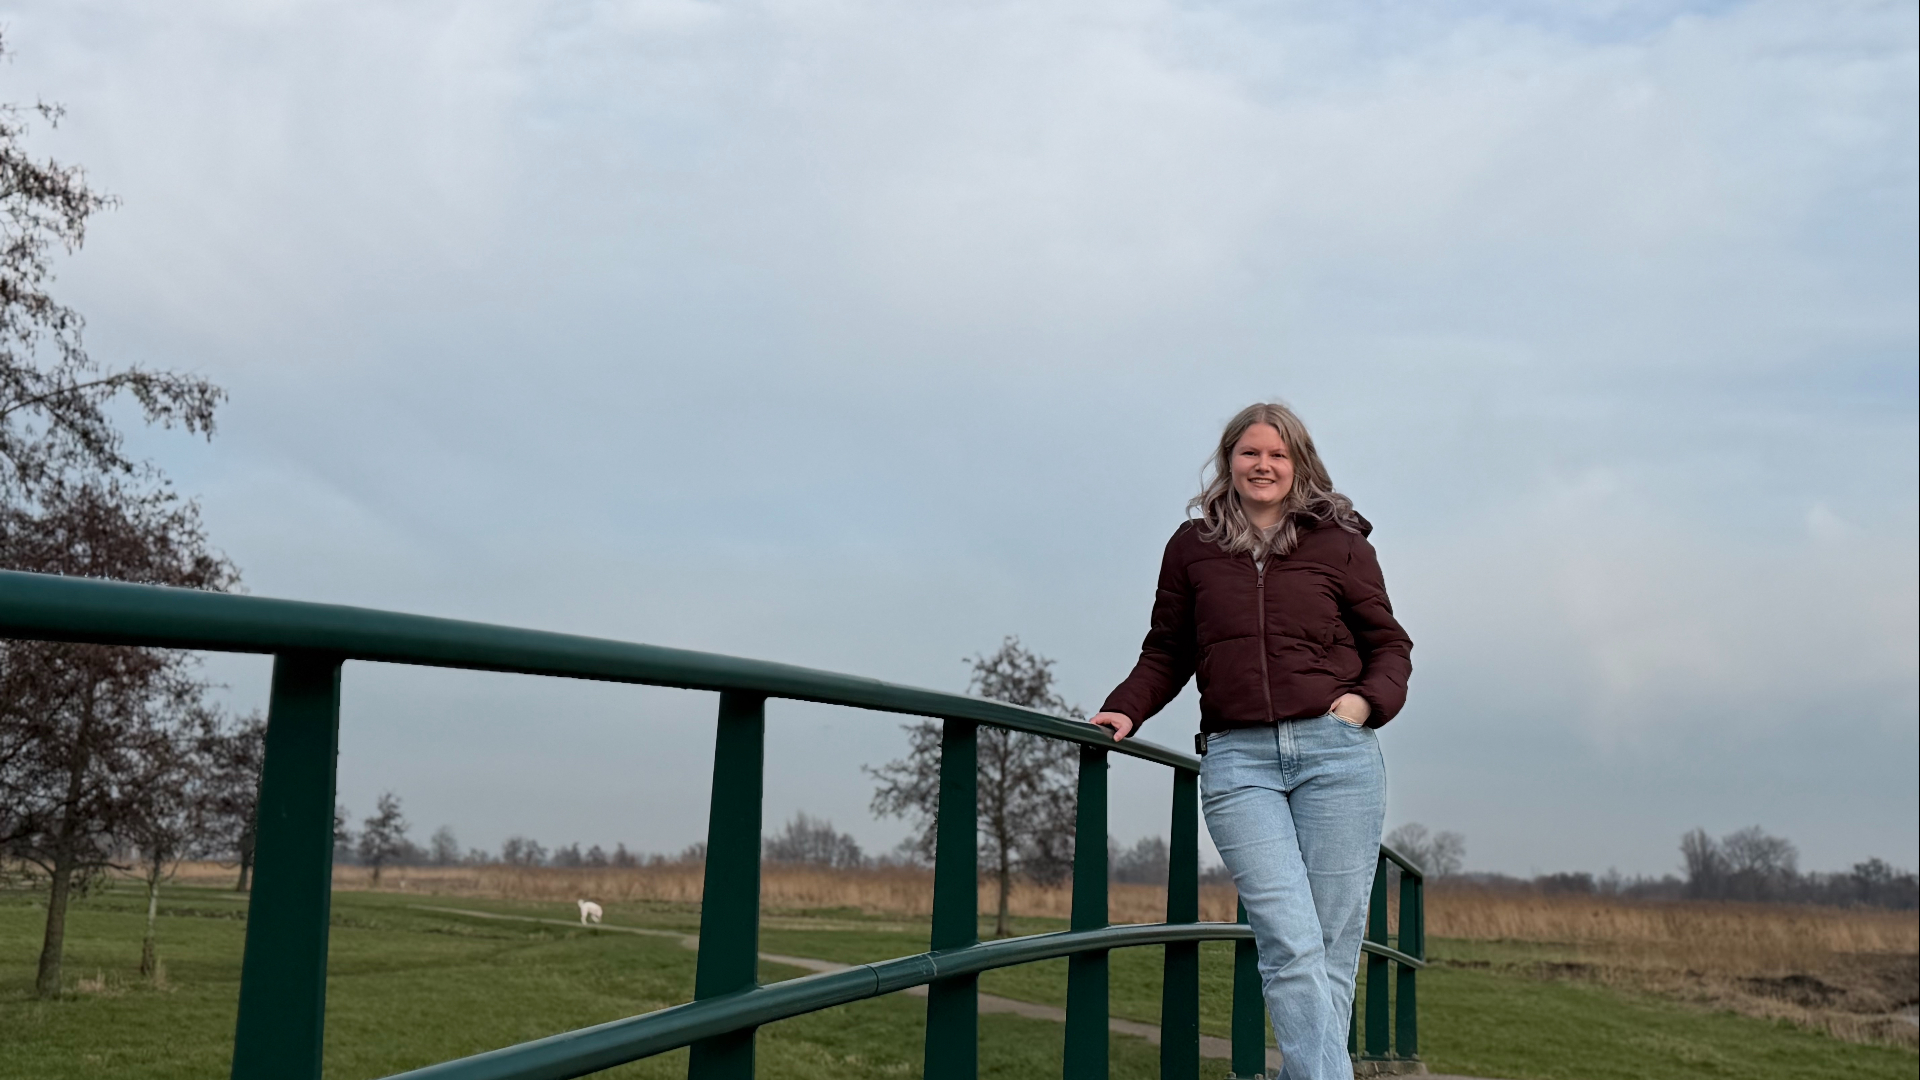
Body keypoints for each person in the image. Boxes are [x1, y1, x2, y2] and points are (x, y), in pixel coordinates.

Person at [1090, 401, 1412, 1080]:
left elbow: (1390, 646)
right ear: (1228, 461)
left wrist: (1363, 703)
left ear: (1299, 464)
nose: (1262, 466)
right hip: (1240, 764)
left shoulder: (1342, 543)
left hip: (1336, 757)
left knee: (1329, 944)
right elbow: (1166, 651)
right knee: (1289, 941)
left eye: (1277, 454)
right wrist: (1125, 709)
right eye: (1249, 453)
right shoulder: (1192, 547)